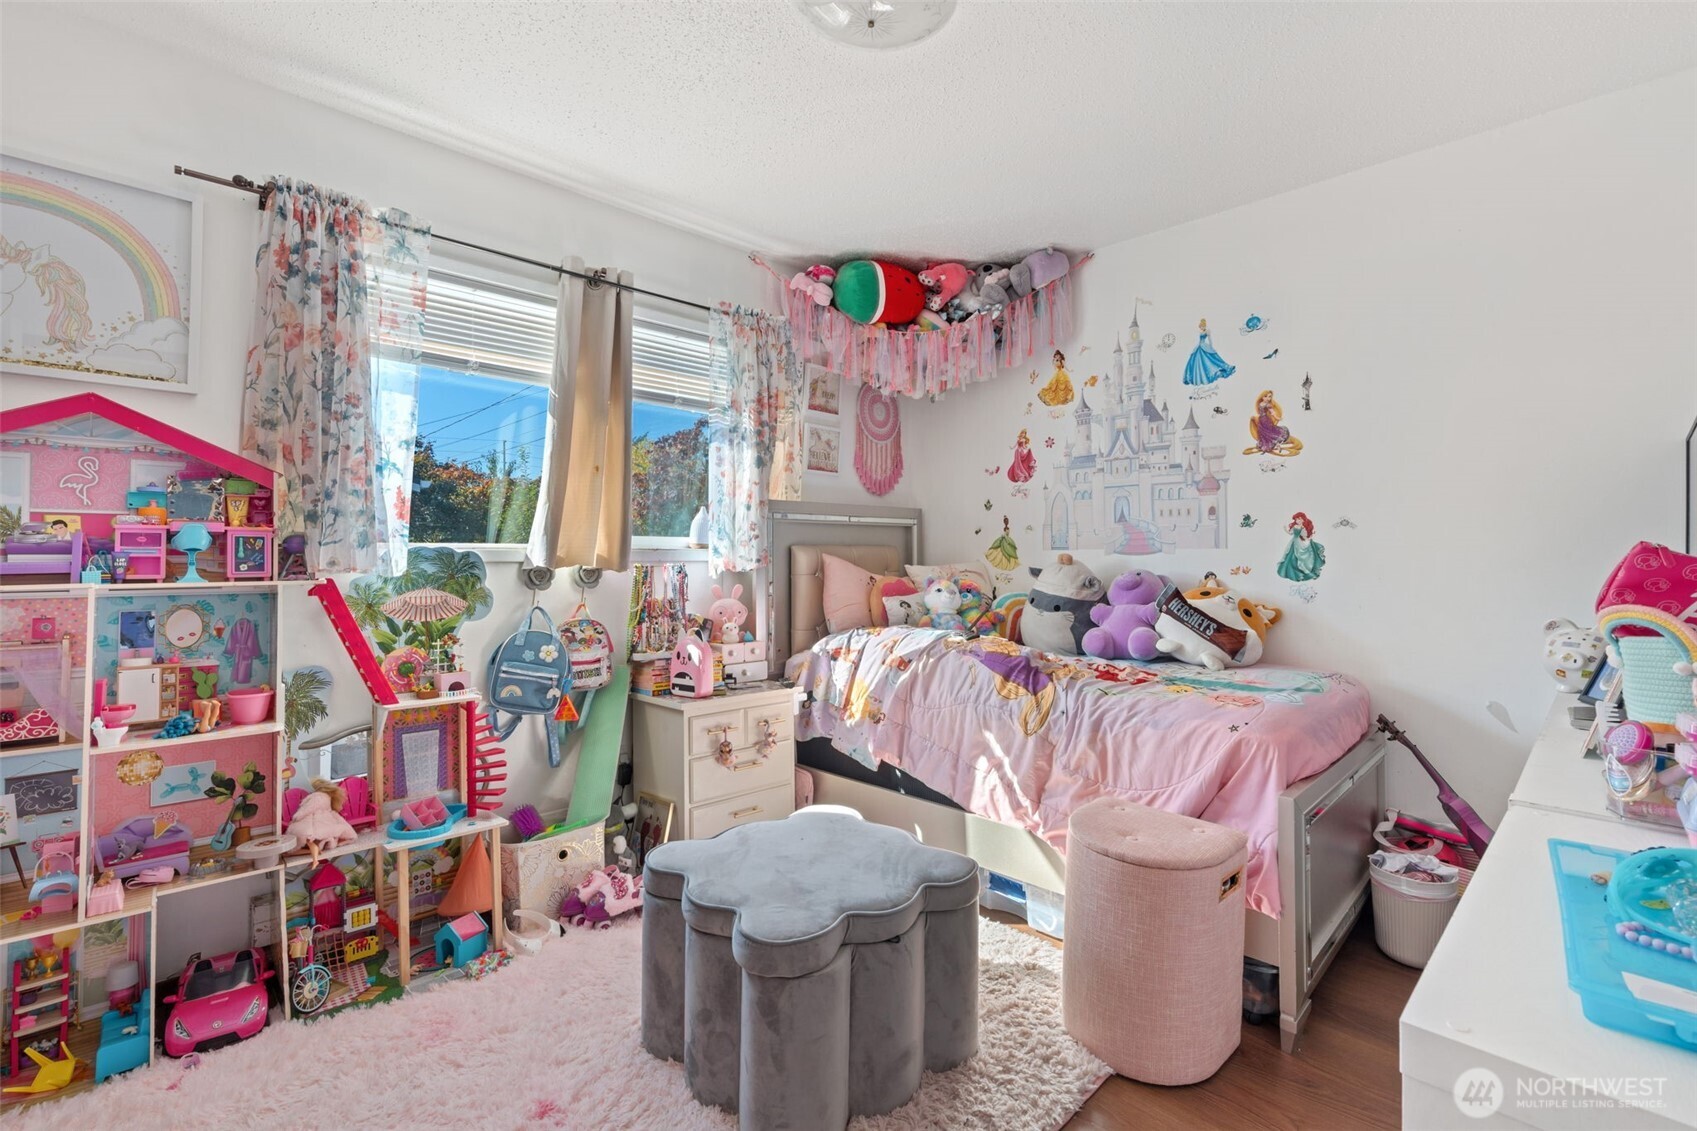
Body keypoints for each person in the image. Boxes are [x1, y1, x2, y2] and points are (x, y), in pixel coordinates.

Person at [1243, 390, 1303, 457]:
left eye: (1269, 397)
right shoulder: (1260, 404)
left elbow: (1272, 412)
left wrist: (1277, 418)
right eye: (1265, 396)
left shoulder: (1268, 405)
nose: (1267, 398)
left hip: (1266, 420)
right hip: (1261, 420)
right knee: (1263, 433)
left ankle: (1277, 444)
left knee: (1270, 432)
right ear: (1262, 397)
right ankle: (1272, 445)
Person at [1183, 318, 1236, 390]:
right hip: (1199, 346)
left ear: (1204, 325)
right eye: (1201, 326)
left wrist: (1211, 347)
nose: (1201, 327)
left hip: (1205, 346)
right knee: (1196, 361)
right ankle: (1198, 378)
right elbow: (1199, 341)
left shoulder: (1207, 331)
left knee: (1211, 359)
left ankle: (1224, 368)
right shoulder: (1200, 331)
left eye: (1202, 326)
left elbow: (1210, 339)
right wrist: (1195, 349)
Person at [1277, 512, 1327, 582]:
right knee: (1290, 554)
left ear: (1303, 520)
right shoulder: (1295, 526)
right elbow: (1290, 533)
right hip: (1293, 542)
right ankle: (1290, 569)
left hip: (1299, 542)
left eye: (1299, 519)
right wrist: (1285, 529)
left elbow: (1305, 536)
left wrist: (1310, 536)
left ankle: (1303, 570)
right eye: (1297, 519)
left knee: (1299, 555)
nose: (1298, 521)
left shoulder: (1303, 528)